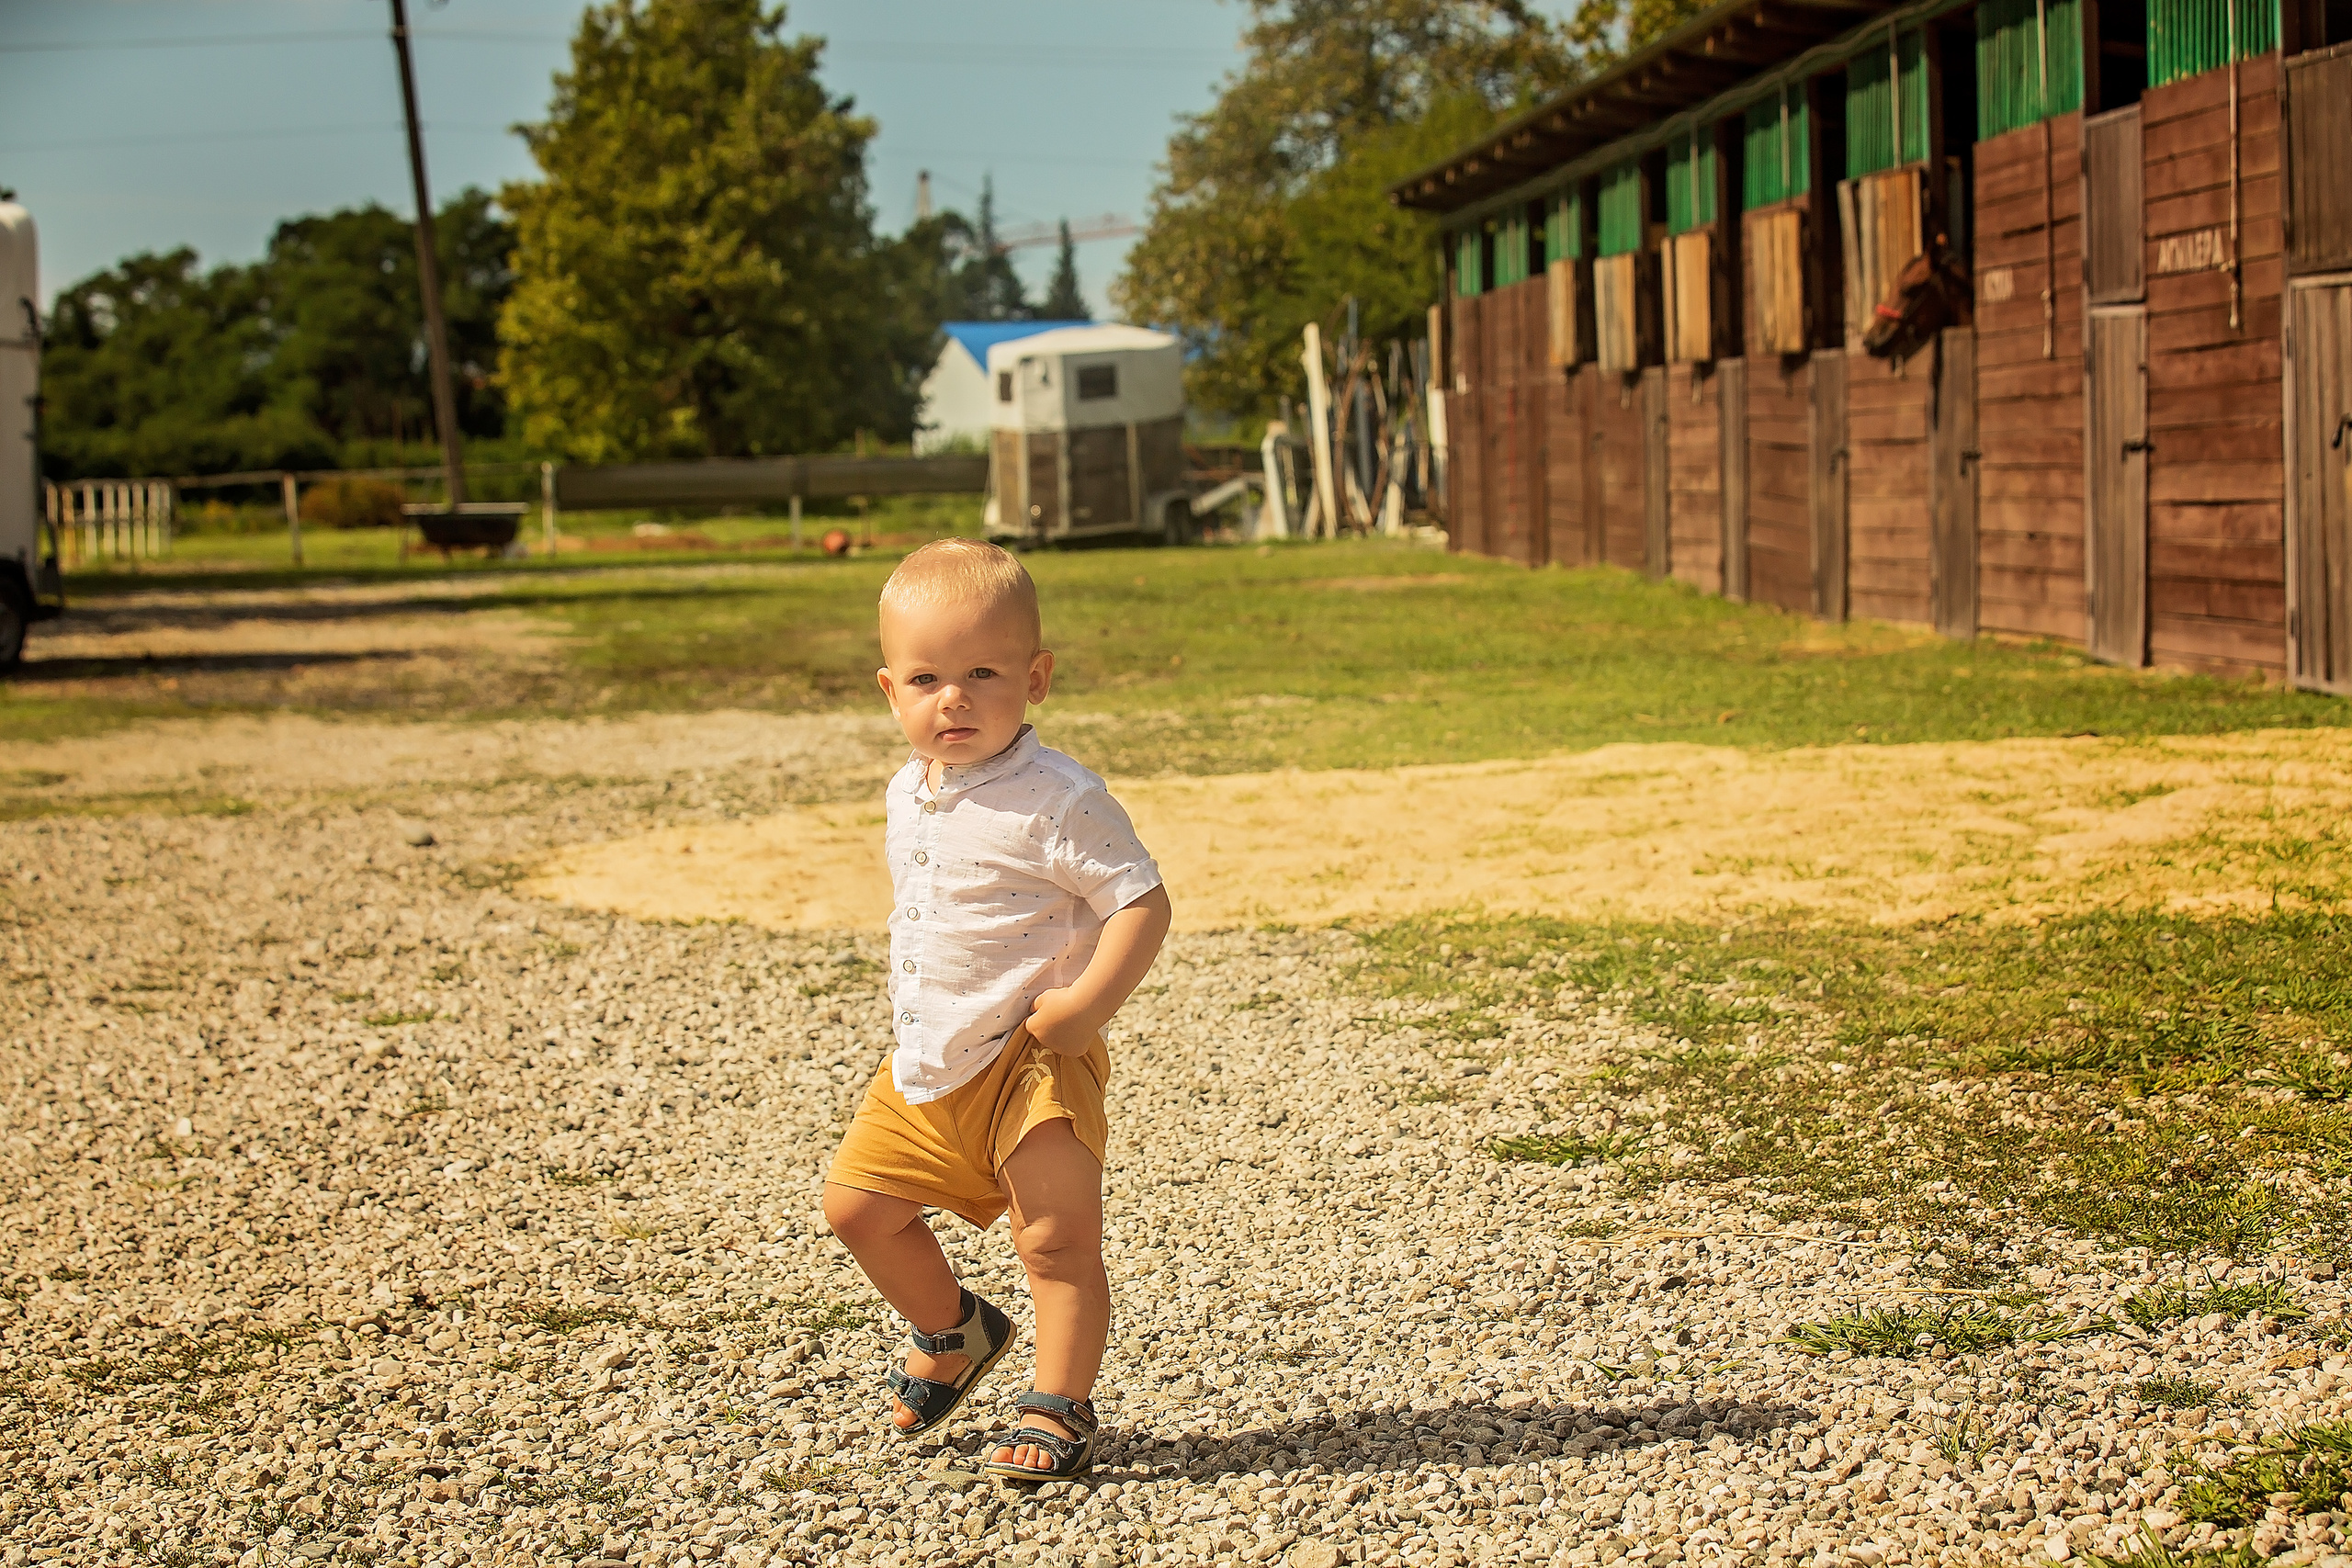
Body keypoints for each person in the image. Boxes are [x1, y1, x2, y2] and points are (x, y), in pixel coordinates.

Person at [820, 538, 1172, 1481]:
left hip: (1031, 1055)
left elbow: (1141, 902)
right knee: (856, 1210)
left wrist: (1086, 1005)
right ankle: (956, 1328)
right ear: (890, 690)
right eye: (929, 678)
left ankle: (1058, 1403)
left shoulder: (1058, 798)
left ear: (1037, 676)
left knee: (1054, 1239)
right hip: (931, 1052)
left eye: (983, 672)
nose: (956, 699)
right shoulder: (908, 789)